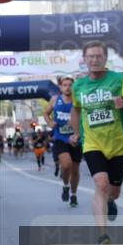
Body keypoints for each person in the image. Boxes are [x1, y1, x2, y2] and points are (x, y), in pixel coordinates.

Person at [70, 40, 123, 245]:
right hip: (92, 143)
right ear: (84, 60)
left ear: (105, 59)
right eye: (90, 57)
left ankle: (111, 200)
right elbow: (76, 110)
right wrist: (76, 133)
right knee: (101, 184)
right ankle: (103, 234)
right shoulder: (78, 86)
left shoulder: (120, 80)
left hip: (118, 143)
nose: (94, 60)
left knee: (114, 192)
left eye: (98, 56)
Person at [45, 76, 82, 207]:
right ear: (60, 87)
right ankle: (65, 185)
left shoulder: (78, 100)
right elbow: (46, 113)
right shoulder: (55, 100)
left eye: (70, 85)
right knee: (66, 165)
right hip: (60, 138)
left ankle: (73, 195)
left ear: (73, 86)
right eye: (65, 85)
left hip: (76, 139)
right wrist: (50, 122)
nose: (67, 87)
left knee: (76, 170)